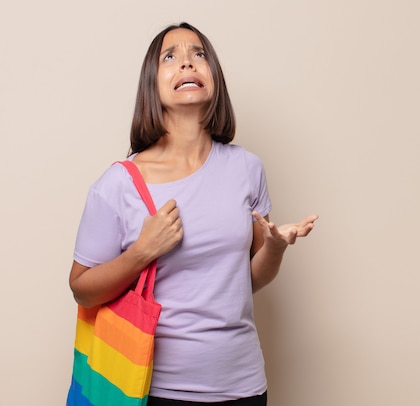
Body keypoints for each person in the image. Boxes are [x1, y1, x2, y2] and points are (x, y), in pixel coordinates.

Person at [69, 22, 318, 405]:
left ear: (213, 76)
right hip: (154, 391)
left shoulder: (246, 168)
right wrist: (141, 252)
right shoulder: (118, 184)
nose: (188, 63)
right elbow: (82, 290)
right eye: (171, 57)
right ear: (152, 84)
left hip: (245, 386)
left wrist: (274, 248)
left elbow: (246, 281)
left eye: (198, 54)